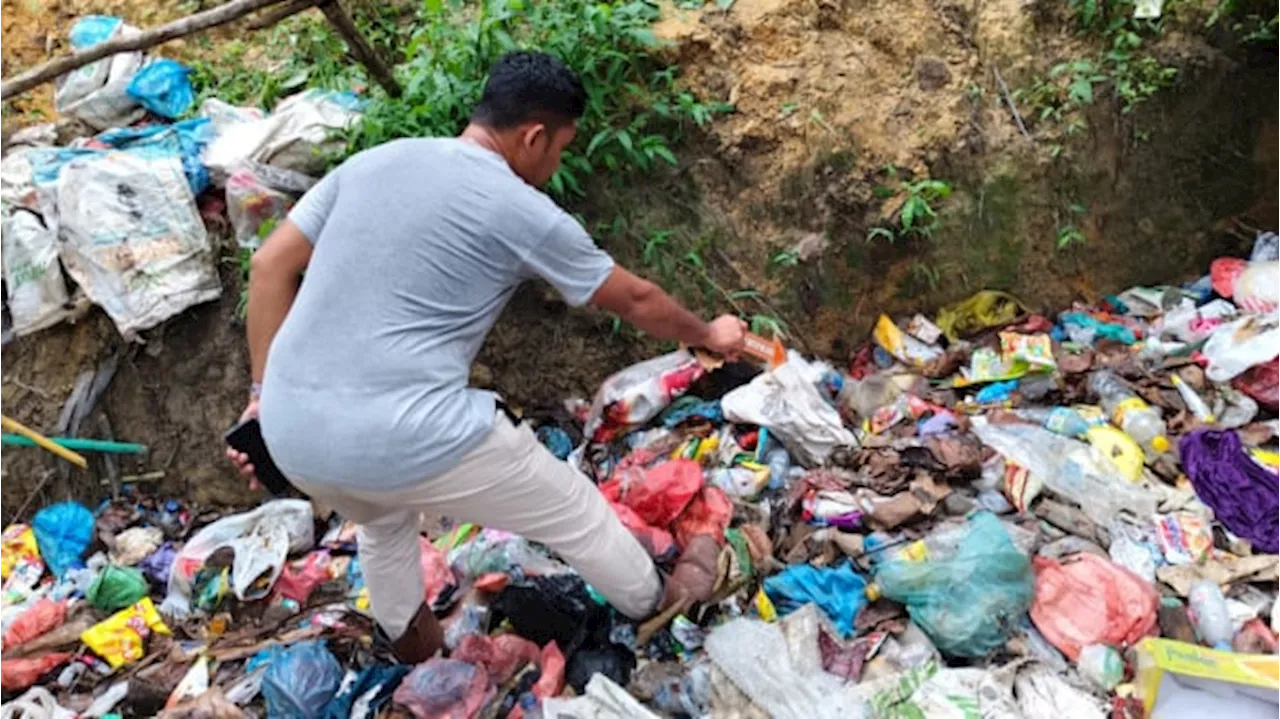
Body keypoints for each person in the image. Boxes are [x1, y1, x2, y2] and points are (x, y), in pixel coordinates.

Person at [228, 51, 746, 662]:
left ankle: (415, 653)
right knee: (573, 509)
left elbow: (268, 267)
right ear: (533, 136)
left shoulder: (375, 162)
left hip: (292, 432)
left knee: (382, 520)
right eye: (559, 150)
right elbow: (633, 297)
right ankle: (659, 611)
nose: (554, 168)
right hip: (405, 431)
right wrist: (708, 332)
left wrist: (263, 399)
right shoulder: (519, 207)